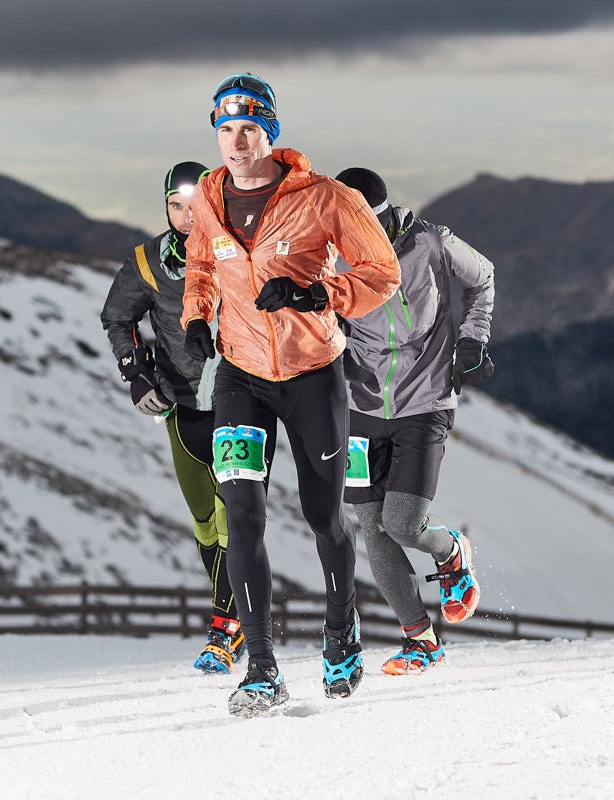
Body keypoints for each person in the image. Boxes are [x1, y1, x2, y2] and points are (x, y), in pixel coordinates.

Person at [180, 74, 401, 716]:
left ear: (270, 132)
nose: (236, 141)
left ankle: (340, 634)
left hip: (311, 375)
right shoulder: (209, 199)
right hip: (241, 377)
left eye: (249, 127)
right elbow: (200, 264)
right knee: (242, 518)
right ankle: (261, 669)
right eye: (225, 129)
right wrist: (197, 317)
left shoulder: (325, 197)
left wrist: (317, 296)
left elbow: (380, 273)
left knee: (322, 515)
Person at [334, 166, 495, 675]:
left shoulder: (429, 243)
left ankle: (451, 555)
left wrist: (472, 339)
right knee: (370, 524)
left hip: (425, 402)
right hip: (360, 406)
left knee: (402, 523)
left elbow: (484, 276)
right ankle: (421, 642)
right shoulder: (330, 257)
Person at [101, 161, 246, 674]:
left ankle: (226, 631)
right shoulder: (147, 262)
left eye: (194, 205)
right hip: (182, 406)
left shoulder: (239, 250)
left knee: (236, 520)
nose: (186, 216)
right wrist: (136, 374)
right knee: (206, 523)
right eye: (175, 206)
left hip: (241, 401)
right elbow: (117, 316)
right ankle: (236, 614)